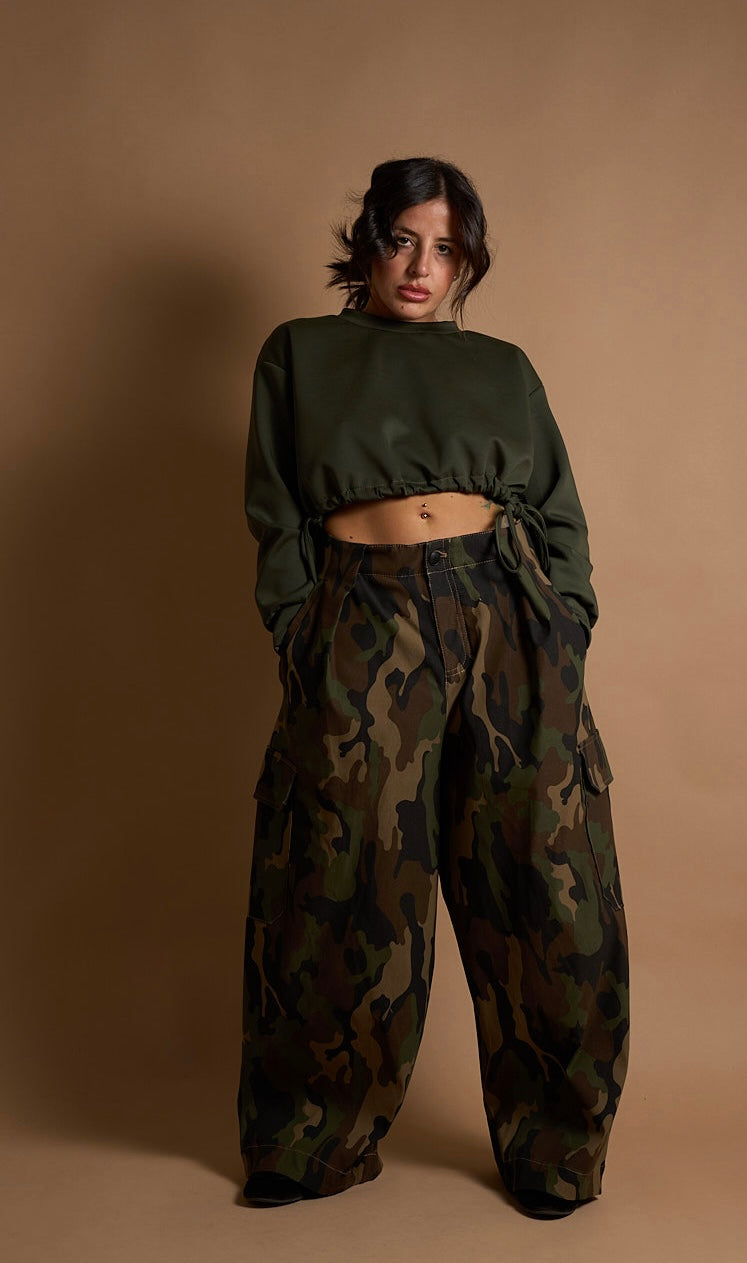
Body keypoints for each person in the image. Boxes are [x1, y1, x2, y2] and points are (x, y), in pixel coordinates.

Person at [237, 157, 629, 1220]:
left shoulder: (501, 367)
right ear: (367, 241)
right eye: (404, 240)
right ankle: (308, 1139)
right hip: (360, 612)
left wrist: (563, 624)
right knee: (341, 869)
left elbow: (556, 508)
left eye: (447, 248)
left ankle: (554, 1148)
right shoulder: (300, 353)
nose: (422, 266)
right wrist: (302, 629)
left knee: (543, 875)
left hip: (505, 611)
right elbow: (276, 511)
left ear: (467, 263)